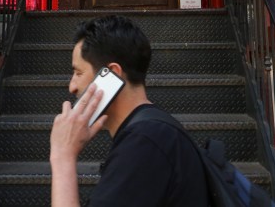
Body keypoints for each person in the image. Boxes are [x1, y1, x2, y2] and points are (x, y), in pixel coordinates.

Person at [49, 15, 210, 207]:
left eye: (78, 73)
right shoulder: (153, 133)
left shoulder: (146, 142)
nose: (72, 86)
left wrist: (62, 155)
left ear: (112, 75)